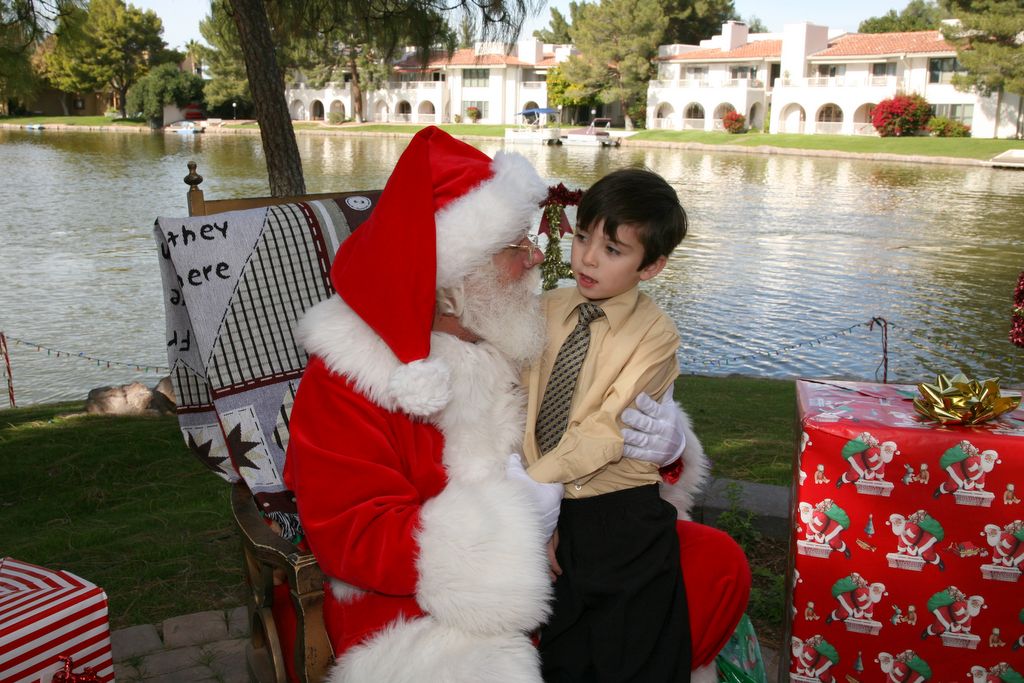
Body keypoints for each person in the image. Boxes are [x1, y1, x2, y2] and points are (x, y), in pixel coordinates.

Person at [284, 128, 747, 682]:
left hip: (568, 544)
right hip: (433, 600)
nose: (535, 257)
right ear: (456, 275)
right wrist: (516, 521)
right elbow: (353, 536)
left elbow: (598, 426)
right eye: (515, 246)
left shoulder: (520, 331)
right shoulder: (348, 376)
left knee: (715, 566)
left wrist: (668, 445)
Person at [518, 168, 695, 682]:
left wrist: (532, 493)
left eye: (613, 250)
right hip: (546, 506)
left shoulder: (656, 336)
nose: (587, 258)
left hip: (618, 521)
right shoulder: (546, 308)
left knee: (632, 659)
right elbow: (514, 398)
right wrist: (533, 510)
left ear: (653, 266)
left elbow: (605, 430)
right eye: (581, 236)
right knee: (560, 659)